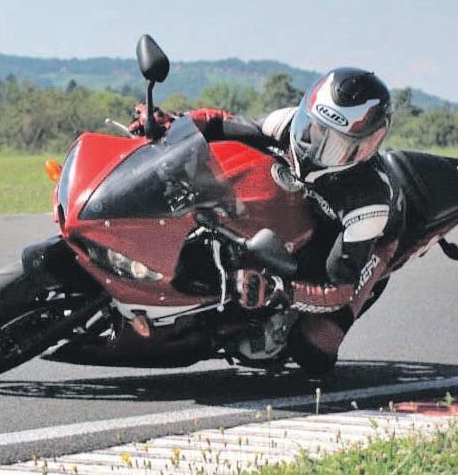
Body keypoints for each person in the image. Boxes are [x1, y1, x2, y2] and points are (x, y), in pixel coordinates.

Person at [130, 68, 401, 374]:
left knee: (315, 346)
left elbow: (338, 292)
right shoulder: (289, 122)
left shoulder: (368, 203)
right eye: (314, 130)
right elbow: (222, 123)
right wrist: (176, 122)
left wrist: (277, 289)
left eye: (336, 144)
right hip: (301, 210)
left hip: (364, 243)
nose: (315, 147)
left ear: (365, 147)